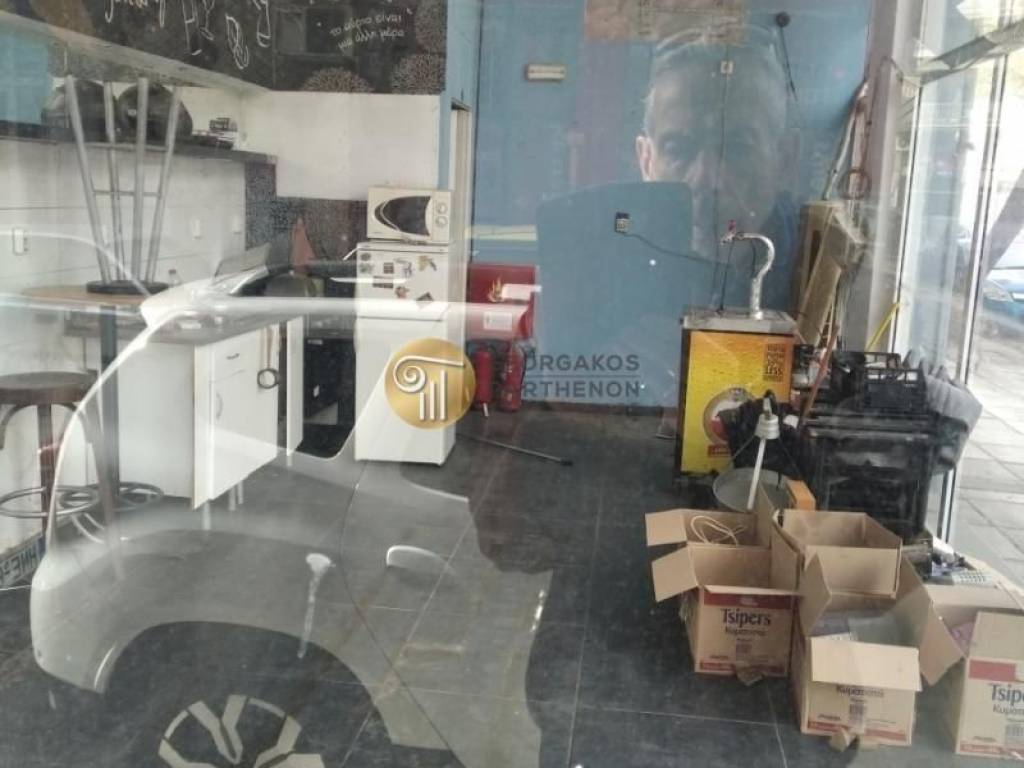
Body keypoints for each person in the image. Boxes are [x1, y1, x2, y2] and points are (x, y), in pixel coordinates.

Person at [635, 24, 799, 311]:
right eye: (678, 150)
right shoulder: (614, 265)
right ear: (646, 160)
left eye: (737, 149)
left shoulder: (815, 270)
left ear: (784, 159)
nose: (706, 180)